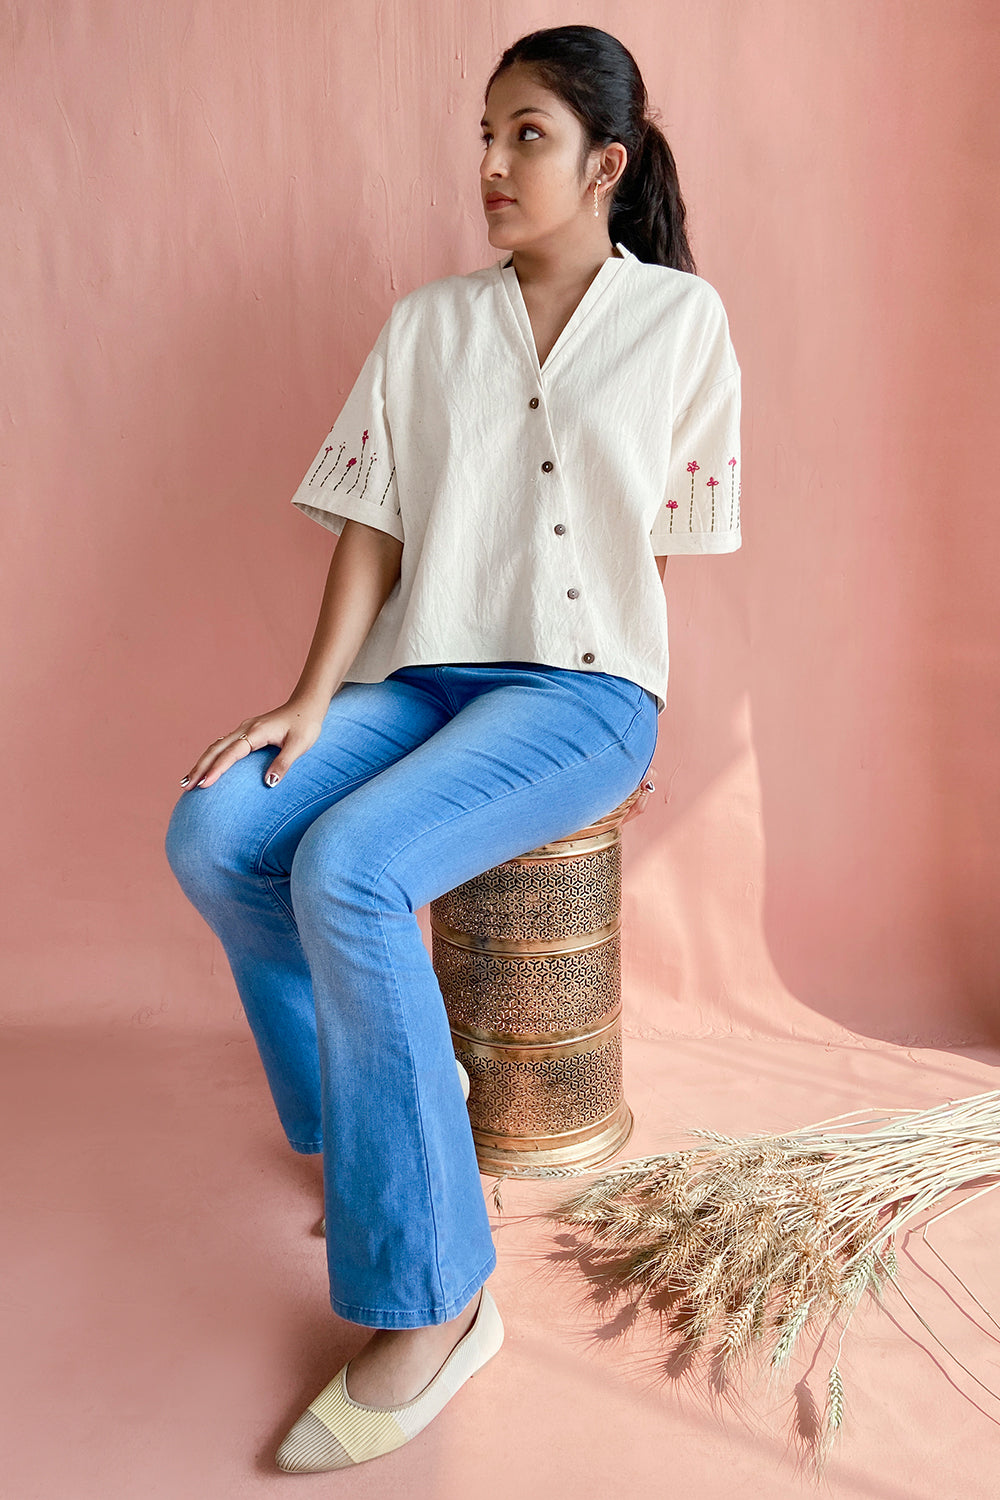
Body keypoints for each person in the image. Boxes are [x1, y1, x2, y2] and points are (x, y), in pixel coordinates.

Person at [164, 22, 742, 1474]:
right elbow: (373, 523)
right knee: (220, 831)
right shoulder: (426, 324)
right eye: (484, 134)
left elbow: (663, 540)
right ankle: (377, 1131)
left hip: (582, 695)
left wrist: (600, 667)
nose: (490, 162)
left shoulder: (682, 320)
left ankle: (438, 1295)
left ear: (605, 163)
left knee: (351, 867)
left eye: (526, 134)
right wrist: (310, 699)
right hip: (421, 676)